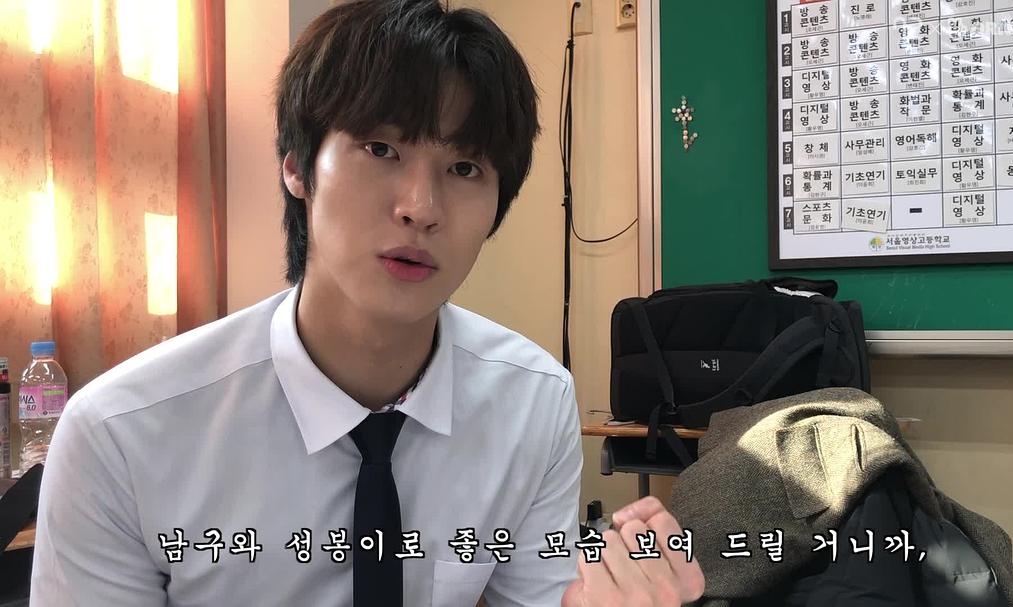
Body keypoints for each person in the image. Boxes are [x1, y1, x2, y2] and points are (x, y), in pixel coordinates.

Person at [30, 1, 705, 605]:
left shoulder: (532, 402)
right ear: (296, 165)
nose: (421, 207)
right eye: (380, 148)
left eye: (464, 168)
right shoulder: (120, 435)